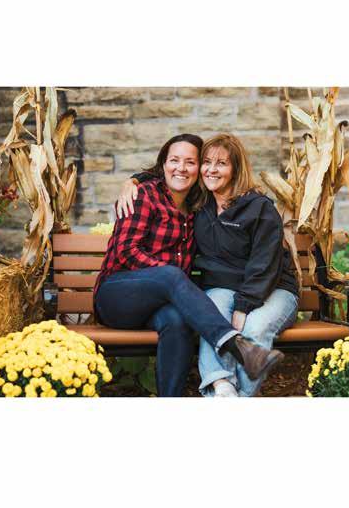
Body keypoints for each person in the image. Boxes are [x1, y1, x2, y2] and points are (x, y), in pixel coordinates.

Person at [94, 133, 284, 397]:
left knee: (177, 322)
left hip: (161, 304)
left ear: (198, 169)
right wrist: (133, 180)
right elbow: (126, 251)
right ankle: (238, 347)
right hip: (117, 297)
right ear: (163, 164)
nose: (181, 168)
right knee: (171, 275)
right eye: (174, 160)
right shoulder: (143, 195)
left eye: (190, 162)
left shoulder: (199, 203)